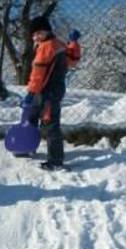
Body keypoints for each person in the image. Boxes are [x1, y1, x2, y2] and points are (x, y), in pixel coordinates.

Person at [21, 18, 81, 171]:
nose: (36, 37)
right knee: (32, 116)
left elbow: (38, 73)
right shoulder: (59, 44)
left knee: (50, 124)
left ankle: (55, 160)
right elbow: (72, 60)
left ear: (47, 31)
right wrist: (73, 43)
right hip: (49, 90)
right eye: (34, 35)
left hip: (48, 92)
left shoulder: (46, 48)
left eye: (39, 33)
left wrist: (31, 92)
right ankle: (27, 145)